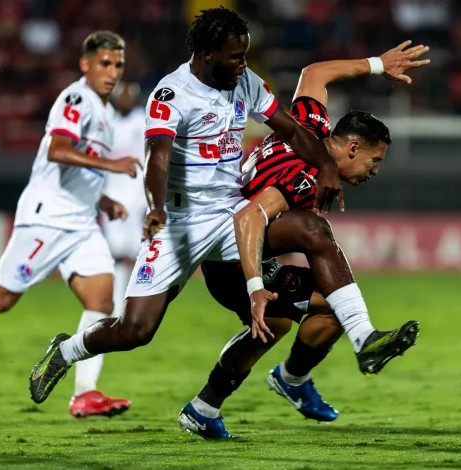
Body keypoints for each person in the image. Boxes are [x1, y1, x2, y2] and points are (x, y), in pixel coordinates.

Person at [28, 6, 345, 405]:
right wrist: (155, 208)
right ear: (208, 52)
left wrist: (327, 168)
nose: (242, 64)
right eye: (235, 56)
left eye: (245, 55)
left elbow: (292, 130)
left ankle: (338, 315)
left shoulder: (244, 81)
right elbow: (157, 156)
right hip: (179, 222)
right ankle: (66, 350)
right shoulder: (171, 93)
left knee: (308, 231)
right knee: (135, 331)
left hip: (231, 214)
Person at [180, 42, 430, 438]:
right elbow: (249, 216)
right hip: (231, 256)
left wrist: (378, 64)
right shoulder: (301, 176)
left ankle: (217, 403)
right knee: (310, 247)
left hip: (251, 250)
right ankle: (354, 343)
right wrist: (256, 285)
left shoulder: (308, 126)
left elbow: (315, 73)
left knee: (320, 310)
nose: (375, 171)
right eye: (374, 160)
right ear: (351, 148)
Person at [0, 31, 138, 418]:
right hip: (46, 218)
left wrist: (103, 199)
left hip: (82, 223)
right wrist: (113, 165)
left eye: (118, 65)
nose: (112, 72)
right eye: (105, 63)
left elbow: (77, 167)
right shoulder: (75, 99)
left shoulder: (105, 111)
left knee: (102, 300)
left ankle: (85, 392)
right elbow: (58, 149)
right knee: (1, 299)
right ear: (85, 64)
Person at [100, 82, 147, 319]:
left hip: (138, 195)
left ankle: (142, 304)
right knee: (117, 254)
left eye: (129, 96)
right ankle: (118, 306)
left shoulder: (143, 120)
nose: (125, 100)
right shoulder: (108, 122)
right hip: (114, 195)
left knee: (141, 253)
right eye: (121, 96)